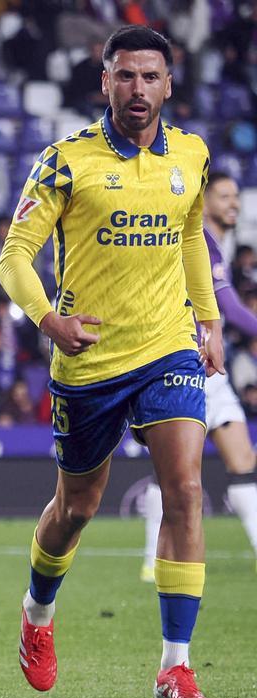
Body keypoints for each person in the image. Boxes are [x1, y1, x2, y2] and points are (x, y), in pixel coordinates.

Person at [0, 26, 222, 698]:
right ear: (104, 82)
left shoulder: (191, 155)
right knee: (76, 509)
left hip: (167, 349)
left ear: (168, 85)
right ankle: (38, 614)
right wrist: (48, 321)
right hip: (90, 356)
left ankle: (174, 669)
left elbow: (189, 234)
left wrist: (207, 318)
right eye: (124, 76)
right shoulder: (66, 164)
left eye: (150, 77)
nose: (138, 90)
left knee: (184, 488)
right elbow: (13, 256)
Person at [141, 173, 257, 580]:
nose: (234, 204)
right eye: (224, 196)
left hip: (210, 364)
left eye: (236, 197)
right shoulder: (202, 242)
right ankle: (150, 561)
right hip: (183, 362)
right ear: (203, 201)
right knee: (177, 473)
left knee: (243, 460)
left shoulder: (218, 244)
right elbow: (233, 310)